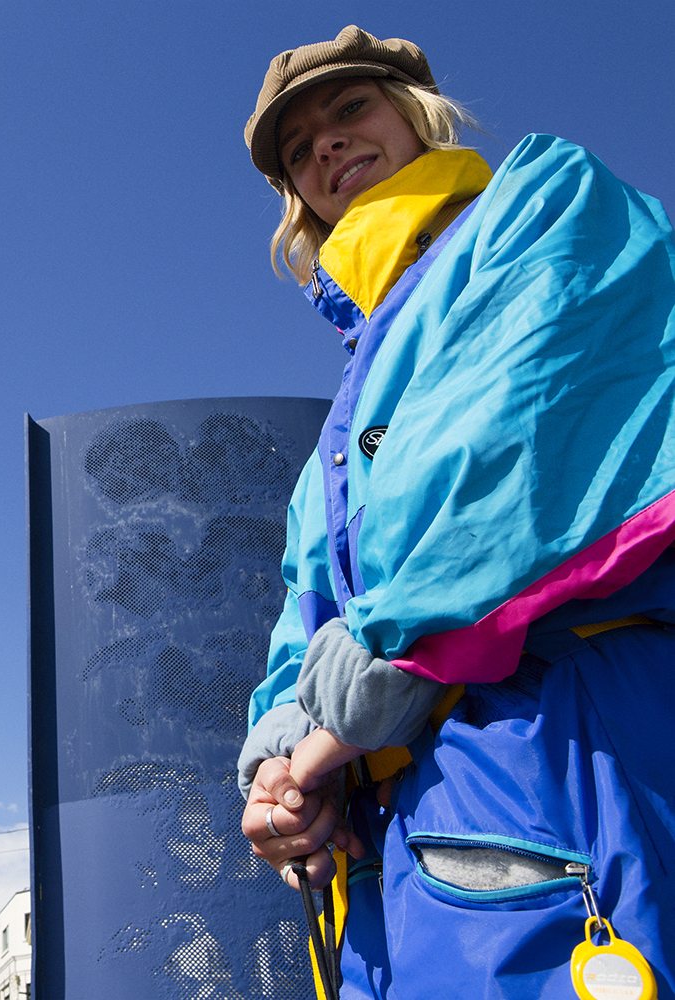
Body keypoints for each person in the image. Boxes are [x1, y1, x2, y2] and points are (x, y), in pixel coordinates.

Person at [236, 25, 675, 999]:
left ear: (417, 112)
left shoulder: (544, 203)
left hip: (567, 746)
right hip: (405, 836)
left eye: (350, 109)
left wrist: (338, 716)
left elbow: (509, 468)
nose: (327, 148)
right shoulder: (343, 420)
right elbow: (302, 611)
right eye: (301, 150)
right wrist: (280, 771)